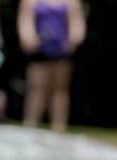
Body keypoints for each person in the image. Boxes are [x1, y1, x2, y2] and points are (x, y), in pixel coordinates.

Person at [18, 0, 84, 132]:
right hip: (39, 50)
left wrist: (73, 39)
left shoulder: (71, 2)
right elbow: (25, 22)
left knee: (60, 89)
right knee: (36, 88)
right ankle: (31, 123)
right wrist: (28, 38)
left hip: (61, 50)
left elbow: (77, 24)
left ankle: (59, 126)